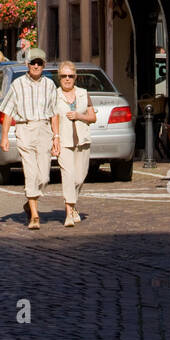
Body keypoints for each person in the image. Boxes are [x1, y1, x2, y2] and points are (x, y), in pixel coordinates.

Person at [0, 48, 59, 229]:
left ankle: (28, 203)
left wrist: (56, 137)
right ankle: (34, 215)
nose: (36, 66)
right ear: (27, 65)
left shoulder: (49, 85)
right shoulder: (17, 85)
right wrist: (4, 137)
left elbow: (54, 114)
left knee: (44, 177)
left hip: (44, 129)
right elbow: (8, 113)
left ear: (44, 65)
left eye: (39, 63)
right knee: (31, 173)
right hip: (25, 129)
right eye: (33, 62)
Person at [55, 61, 96, 226]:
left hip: (82, 141)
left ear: (75, 77)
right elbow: (53, 118)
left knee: (79, 178)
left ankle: (72, 206)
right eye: (64, 76)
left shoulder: (83, 94)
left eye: (70, 76)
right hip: (64, 141)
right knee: (68, 176)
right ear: (59, 78)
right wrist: (55, 138)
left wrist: (80, 116)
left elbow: (93, 117)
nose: (67, 79)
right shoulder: (54, 95)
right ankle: (69, 213)